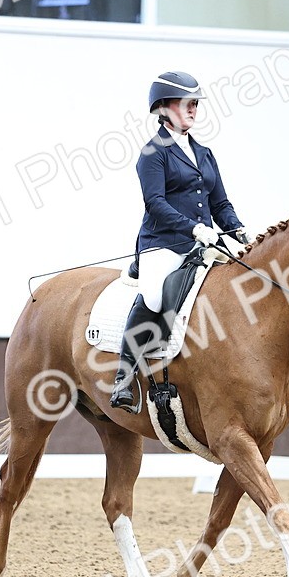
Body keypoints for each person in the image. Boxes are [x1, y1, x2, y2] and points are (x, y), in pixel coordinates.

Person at [109, 70, 252, 410]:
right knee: (157, 297)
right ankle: (124, 377)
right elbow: (155, 203)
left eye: (195, 104)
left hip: (202, 246)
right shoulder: (153, 153)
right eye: (186, 103)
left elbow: (220, 203)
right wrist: (192, 228)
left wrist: (238, 229)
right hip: (163, 244)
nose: (193, 110)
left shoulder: (204, 153)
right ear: (163, 108)